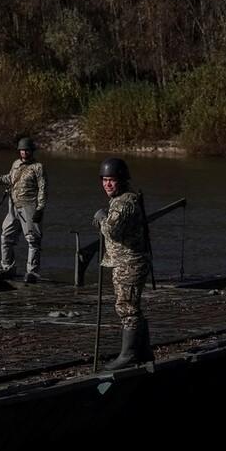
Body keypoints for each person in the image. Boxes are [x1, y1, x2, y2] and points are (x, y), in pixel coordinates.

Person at [94, 157, 153, 370]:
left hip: (130, 262)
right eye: (105, 180)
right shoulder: (120, 200)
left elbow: (111, 230)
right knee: (131, 305)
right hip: (124, 261)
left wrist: (101, 217)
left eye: (112, 180)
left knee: (126, 307)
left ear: (122, 180)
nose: (108, 184)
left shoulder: (125, 202)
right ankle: (144, 351)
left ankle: (128, 355)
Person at [0, 136, 47, 283]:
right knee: (6, 236)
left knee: (33, 240)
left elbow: (43, 189)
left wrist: (40, 209)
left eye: (27, 150)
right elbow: (9, 179)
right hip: (13, 207)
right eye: (22, 150)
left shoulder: (38, 167)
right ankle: (8, 267)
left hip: (30, 207)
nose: (24, 153)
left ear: (31, 151)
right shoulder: (16, 164)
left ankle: (32, 273)